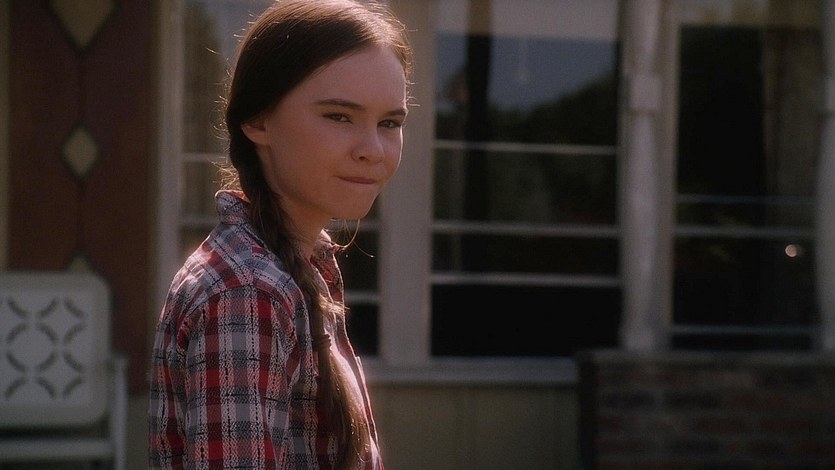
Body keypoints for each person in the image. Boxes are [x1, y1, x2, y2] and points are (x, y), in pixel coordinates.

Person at [148, 0, 411, 468]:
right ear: (257, 121)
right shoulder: (247, 291)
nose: (373, 149)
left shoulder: (293, 267)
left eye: (389, 123)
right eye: (339, 116)